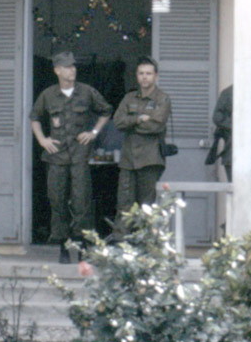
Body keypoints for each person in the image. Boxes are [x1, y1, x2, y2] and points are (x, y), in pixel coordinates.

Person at [29, 51, 112, 263]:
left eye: (73, 66)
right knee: (57, 200)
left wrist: (93, 133)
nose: (72, 70)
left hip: (79, 157)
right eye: (67, 67)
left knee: (81, 200)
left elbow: (106, 111)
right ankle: (64, 247)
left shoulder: (86, 92)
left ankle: (83, 246)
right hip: (56, 157)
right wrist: (42, 140)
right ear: (57, 70)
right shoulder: (48, 95)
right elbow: (35, 118)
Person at [113, 56, 172, 222]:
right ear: (137, 76)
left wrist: (130, 123)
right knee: (124, 205)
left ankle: (145, 244)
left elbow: (155, 126)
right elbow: (118, 122)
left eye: (148, 73)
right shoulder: (129, 98)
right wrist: (139, 119)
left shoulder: (162, 99)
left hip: (150, 159)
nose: (144, 77)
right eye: (141, 73)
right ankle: (122, 243)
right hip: (128, 160)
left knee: (147, 206)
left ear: (156, 76)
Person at [210, 63, 251, 182]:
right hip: (233, 151)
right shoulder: (229, 93)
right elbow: (217, 117)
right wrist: (239, 126)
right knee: (236, 193)